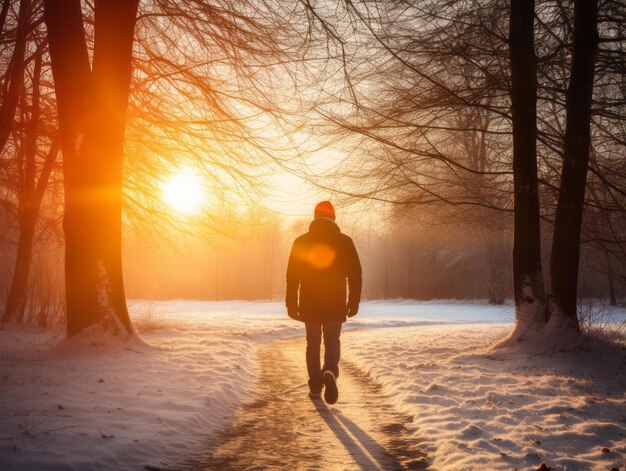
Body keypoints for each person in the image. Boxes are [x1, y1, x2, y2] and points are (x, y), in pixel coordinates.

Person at [285, 201, 362, 404]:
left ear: (315, 217)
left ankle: (316, 386)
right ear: (333, 218)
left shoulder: (301, 241)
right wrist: (353, 301)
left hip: (310, 302)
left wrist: (291, 303)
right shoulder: (344, 241)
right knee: (332, 339)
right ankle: (330, 371)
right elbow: (355, 275)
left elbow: (292, 276)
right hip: (335, 301)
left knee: (313, 344)